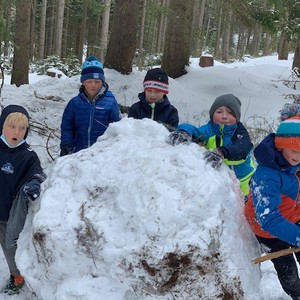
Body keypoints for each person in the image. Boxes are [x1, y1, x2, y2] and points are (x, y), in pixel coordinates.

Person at [244, 104, 300, 300]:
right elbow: (268, 219)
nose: (297, 156)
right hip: (268, 229)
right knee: (288, 270)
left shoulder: (294, 163)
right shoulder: (266, 176)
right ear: (280, 146)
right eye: (293, 150)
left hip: (292, 216)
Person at [168, 94, 254, 197]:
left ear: (237, 118)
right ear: (212, 115)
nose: (224, 116)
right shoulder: (210, 129)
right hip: (222, 181)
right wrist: (184, 131)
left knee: (246, 210)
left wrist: (222, 152)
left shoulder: (240, 133)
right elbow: (196, 132)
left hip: (244, 181)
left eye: (230, 113)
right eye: (219, 112)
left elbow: (241, 149)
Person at [0, 105, 46, 295]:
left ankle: (16, 276)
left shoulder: (27, 156)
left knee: (11, 249)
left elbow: (38, 174)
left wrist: (34, 184)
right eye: (11, 126)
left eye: (22, 128)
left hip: (7, 215)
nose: (16, 132)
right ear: (2, 125)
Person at [60, 56, 121, 156]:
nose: (93, 85)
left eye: (97, 82)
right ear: (83, 82)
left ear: (102, 82)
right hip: (78, 152)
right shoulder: (74, 103)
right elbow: (67, 127)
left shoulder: (110, 102)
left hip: (102, 153)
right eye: (89, 81)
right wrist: (66, 144)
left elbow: (116, 127)